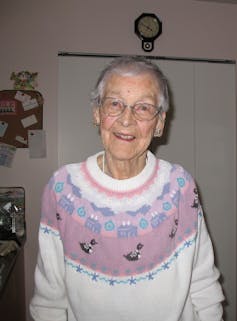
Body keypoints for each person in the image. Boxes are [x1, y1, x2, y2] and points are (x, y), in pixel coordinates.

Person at [30, 56, 224, 321]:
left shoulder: (180, 186)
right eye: (114, 104)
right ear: (97, 113)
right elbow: (49, 300)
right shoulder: (62, 189)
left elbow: (203, 285)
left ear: (159, 123)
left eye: (143, 108)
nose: (126, 119)